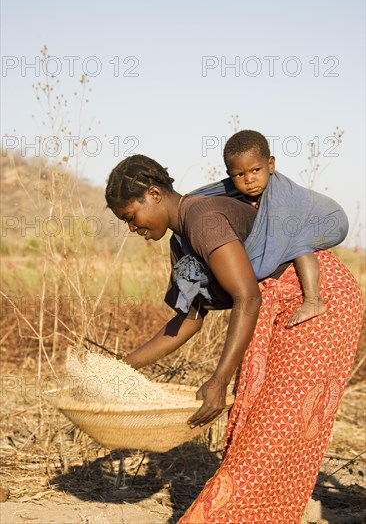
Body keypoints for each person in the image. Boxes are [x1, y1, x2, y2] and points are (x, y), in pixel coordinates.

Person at [105, 154, 363, 523]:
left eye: (131, 216)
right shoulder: (181, 242)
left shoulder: (203, 219)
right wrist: (118, 367)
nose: (132, 227)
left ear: (154, 194)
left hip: (317, 300)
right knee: (253, 424)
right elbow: (189, 319)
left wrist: (219, 379)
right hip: (272, 304)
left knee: (273, 428)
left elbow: (247, 297)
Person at [221, 129, 349, 327]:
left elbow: (267, 259)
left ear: (270, 164)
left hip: (330, 220)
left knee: (298, 243)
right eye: (239, 174)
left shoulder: (280, 197)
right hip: (310, 218)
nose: (249, 179)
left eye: (256, 170)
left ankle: (314, 300)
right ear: (230, 175)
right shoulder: (251, 193)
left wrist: (239, 273)